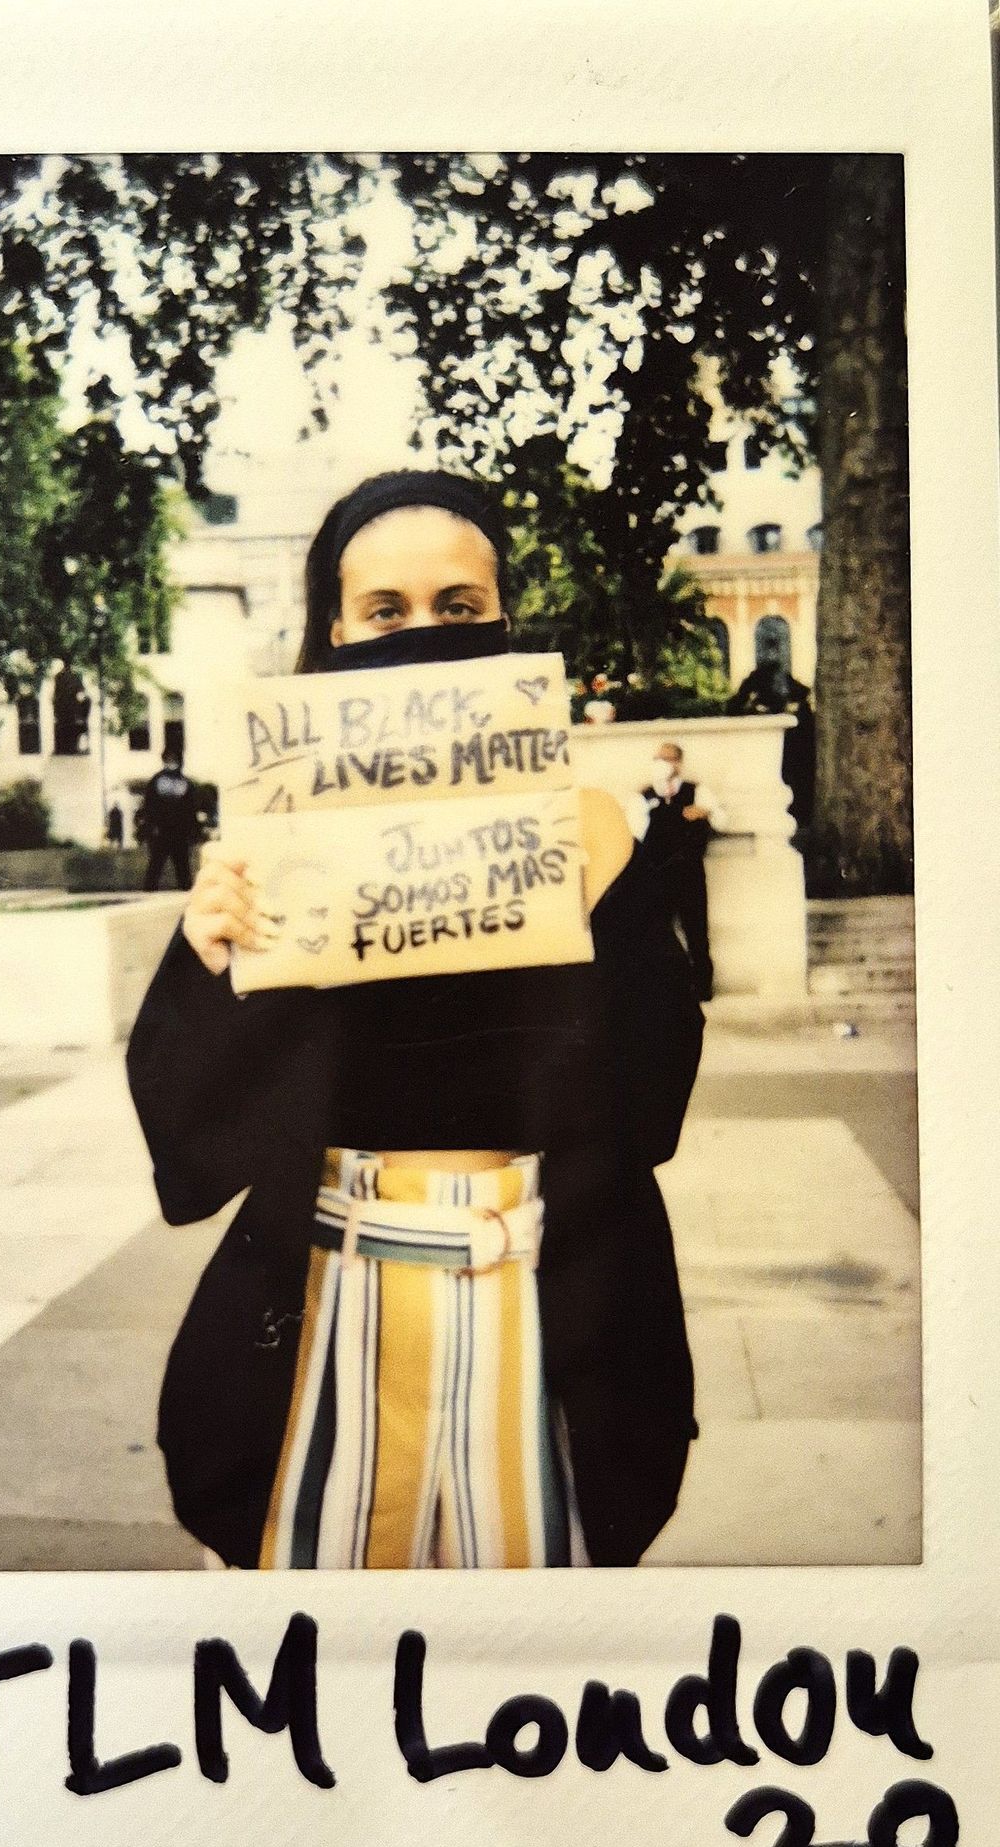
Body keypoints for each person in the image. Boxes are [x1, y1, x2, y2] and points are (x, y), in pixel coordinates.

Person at [126, 470, 704, 1570]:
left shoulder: (582, 827)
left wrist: (611, 891)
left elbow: (654, 1107)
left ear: (502, 622)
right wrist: (212, 960)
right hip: (326, 1301)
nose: (421, 631)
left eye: (457, 608)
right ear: (335, 627)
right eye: (386, 611)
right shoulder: (272, 832)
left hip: (544, 1306)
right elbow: (189, 1152)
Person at [626, 742, 726, 1003]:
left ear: (678, 763)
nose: (662, 763)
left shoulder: (697, 791)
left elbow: (722, 819)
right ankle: (660, 987)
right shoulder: (643, 796)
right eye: (658, 758)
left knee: (696, 931)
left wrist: (707, 812)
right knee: (655, 932)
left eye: (668, 759)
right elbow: (634, 834)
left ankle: (702, 988)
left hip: (689, 872)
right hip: (656, 873)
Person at [728, 642, 816, 834]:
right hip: (764, 744)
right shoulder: (755, 680)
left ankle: (800, 816)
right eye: (768, 651)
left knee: (796, 777)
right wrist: (756, 710)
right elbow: (735, 707)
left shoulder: (787, 681)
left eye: (775, 651)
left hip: (794, 742)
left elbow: (802, 698)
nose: (772, 656)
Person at [140, 751, 200, 891]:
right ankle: (150, 889)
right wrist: (151, 827)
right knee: (159, 863)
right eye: (170, 759)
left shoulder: (181, 783)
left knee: (180, 864)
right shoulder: (162, 781)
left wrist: (192, 831)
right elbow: (149, 807)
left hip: (175, 831)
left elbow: (191, 810)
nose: (172, 762)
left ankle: (183, 888)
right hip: (164, 831)